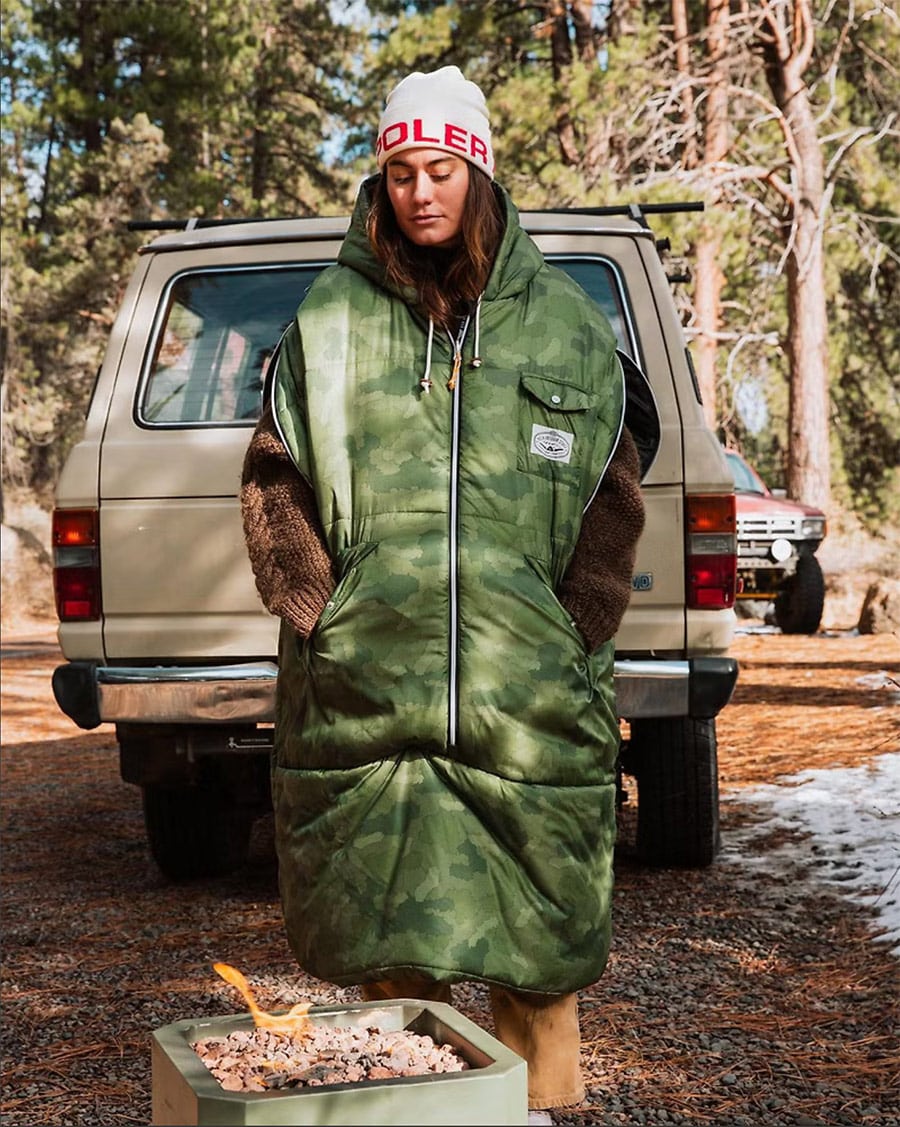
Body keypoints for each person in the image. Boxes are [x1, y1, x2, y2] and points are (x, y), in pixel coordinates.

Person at [240, 65, 646, 1122]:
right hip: (370, 693)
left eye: (441, 170)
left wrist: (578, 619)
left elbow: (612, 479)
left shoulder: (559, 323)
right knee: (390, 956)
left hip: (528, 702)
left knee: (539, 957)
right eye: (402, 171)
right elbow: (275, 475)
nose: (421, 191)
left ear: (478, 174)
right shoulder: (331, 318)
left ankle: (541, 1114)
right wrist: (314, 608)